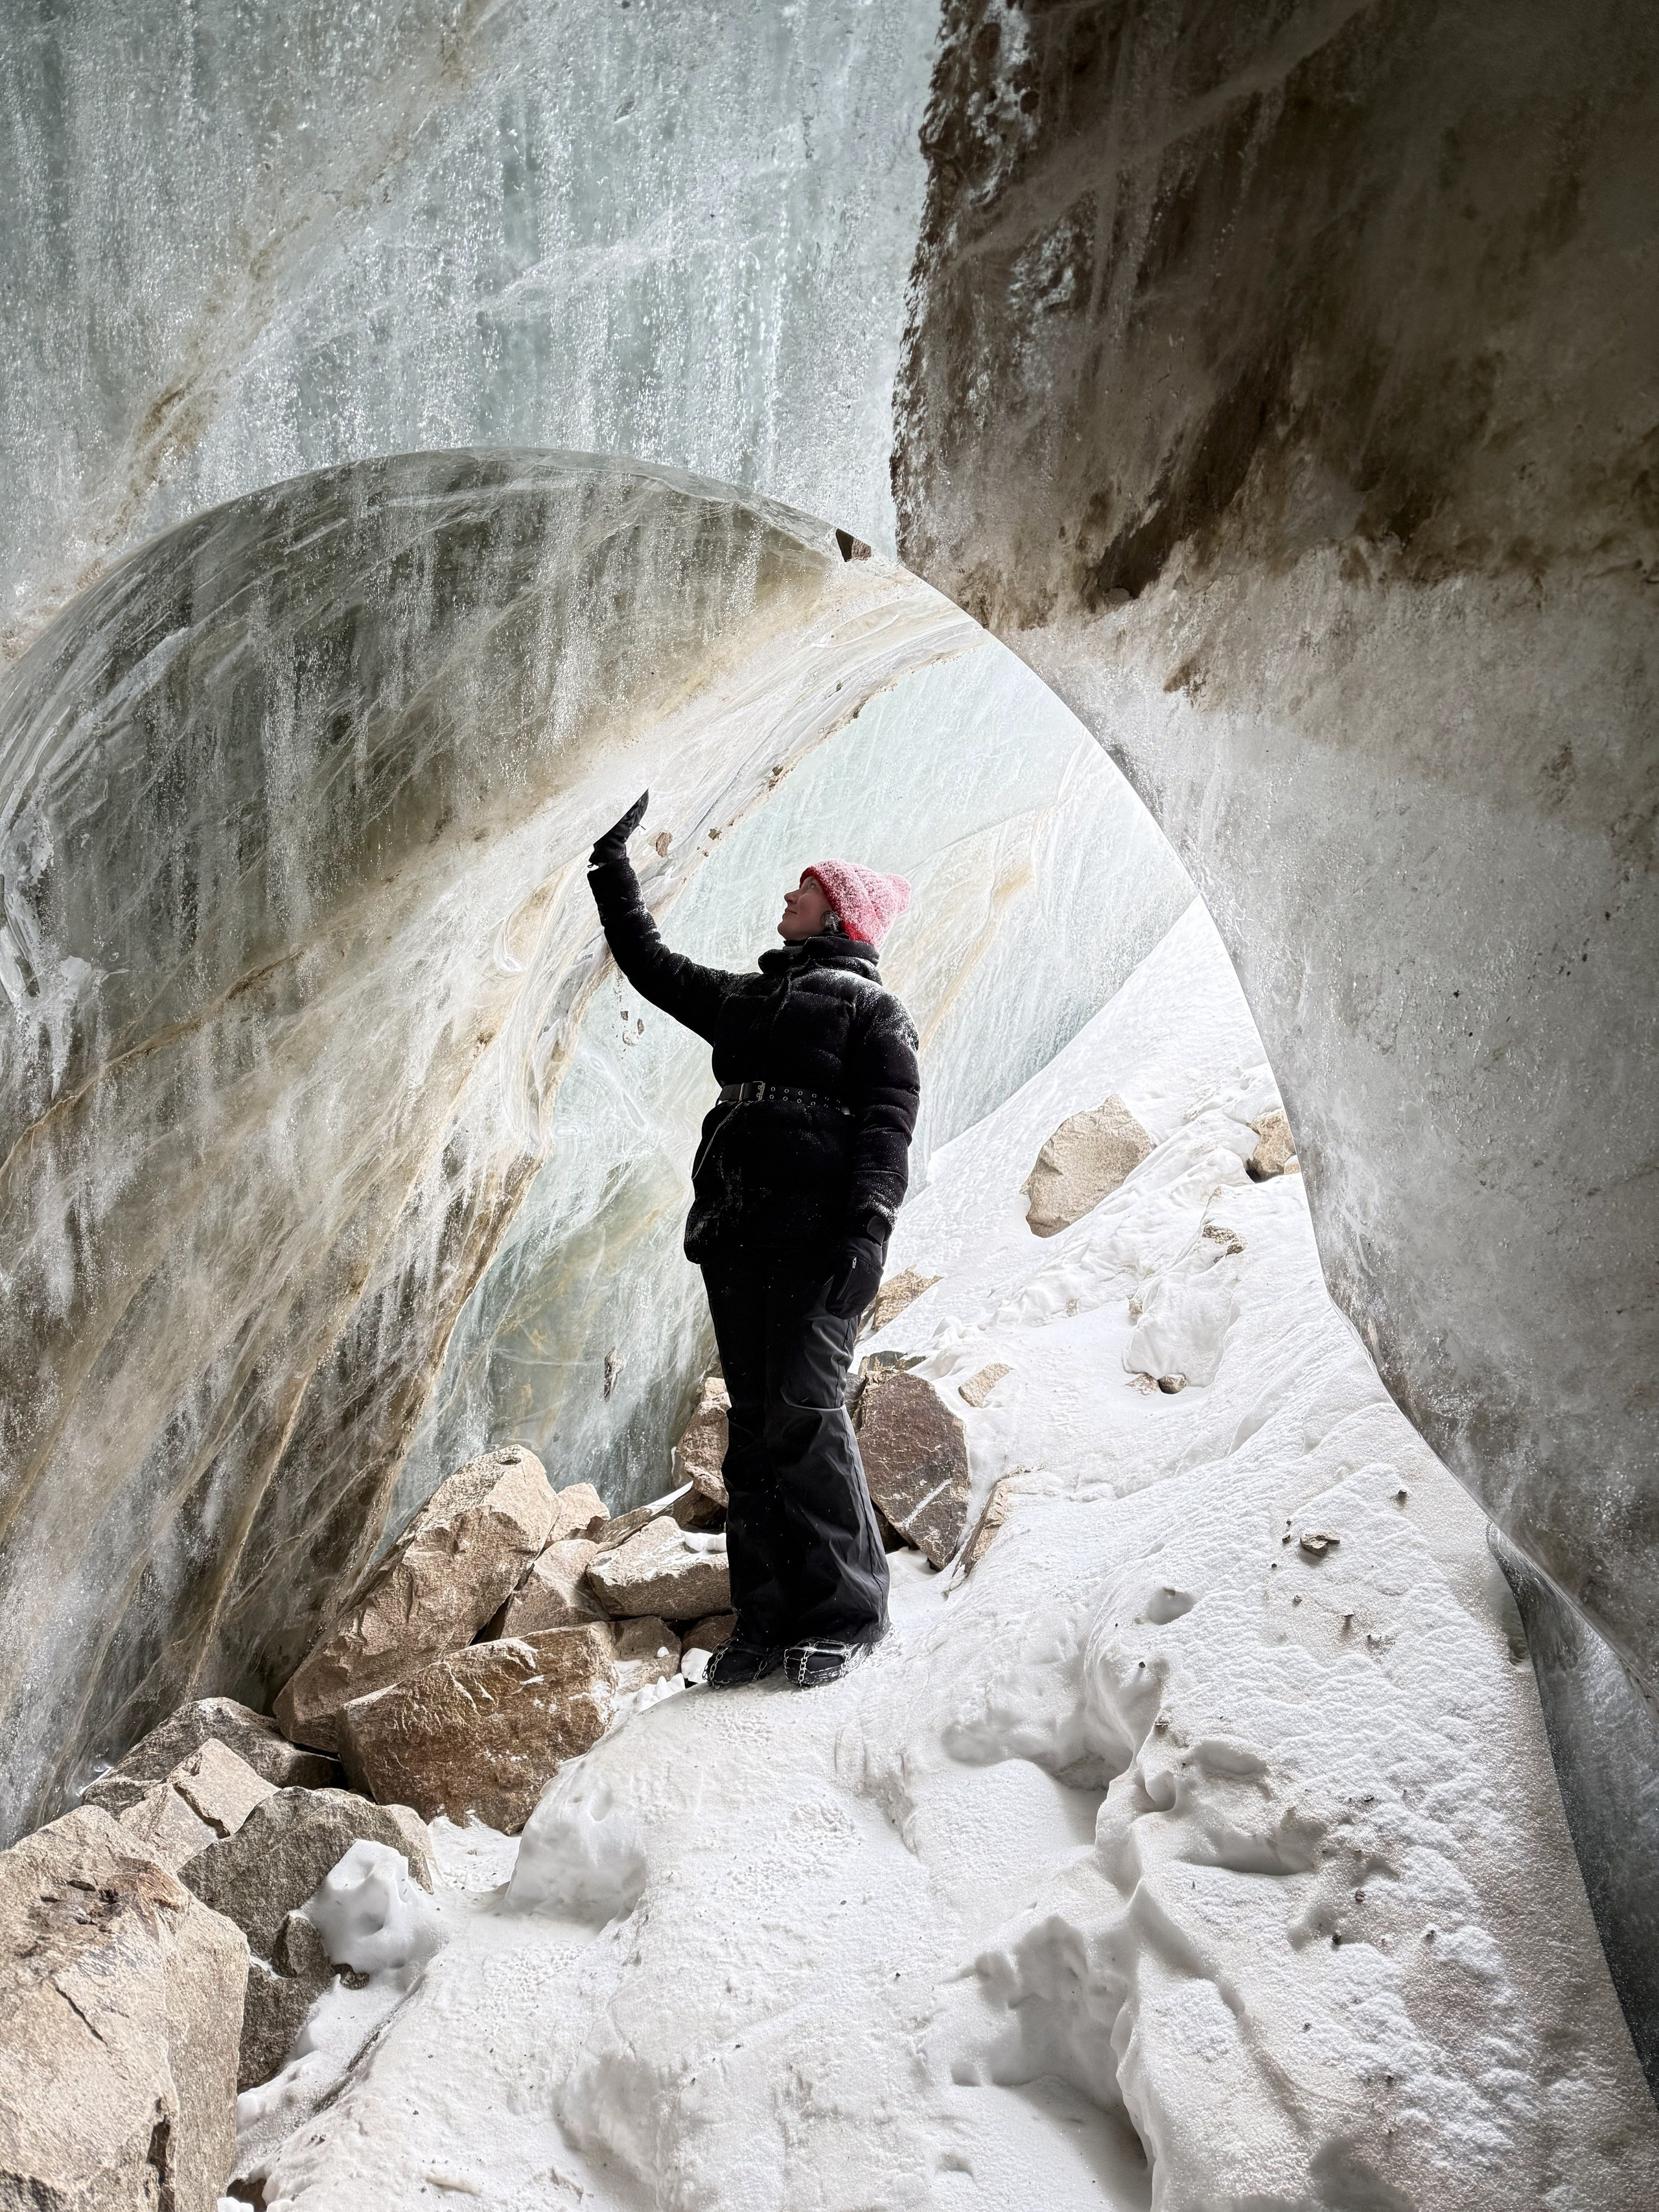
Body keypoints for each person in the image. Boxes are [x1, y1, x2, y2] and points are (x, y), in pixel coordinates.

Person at [587, 791, 920, 1690]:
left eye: (802, 891)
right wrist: (609, 867)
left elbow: (886, 1133)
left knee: (806, 1416)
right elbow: (653, 966)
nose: (786, 900)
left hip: (817, 1247)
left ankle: (850, 1612)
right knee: (755, 1433)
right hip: (738, 1239)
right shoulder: (751, 998)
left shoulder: (874, 1016)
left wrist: (869, 1237)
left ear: (839, 912)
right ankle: (768, 1618)